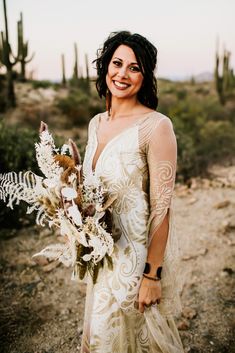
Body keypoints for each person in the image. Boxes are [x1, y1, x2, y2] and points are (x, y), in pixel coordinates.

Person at [81, 31, 184, 353]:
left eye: (134, 67)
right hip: (101, 258)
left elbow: (161, 207)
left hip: (134, 263)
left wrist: (152, 276)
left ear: (146, 75)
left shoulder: (156, 126)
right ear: (105, 67)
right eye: (117, 63)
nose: (122, 74)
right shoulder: (96, 123)